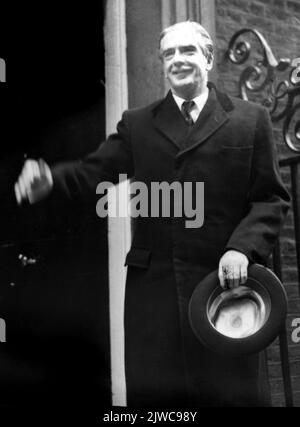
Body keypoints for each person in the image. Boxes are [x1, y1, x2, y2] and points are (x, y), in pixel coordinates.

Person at [15, 21, 290, 407]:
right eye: (169, 54)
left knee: (229, 396)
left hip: (225, 289)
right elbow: (94, 171)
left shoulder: (250, 119)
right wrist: (51, 180)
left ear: (208, 59)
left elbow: (270, 199)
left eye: (188, 51)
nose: (177, 61)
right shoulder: (139, 123)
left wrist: (241, 249)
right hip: (154, 296)